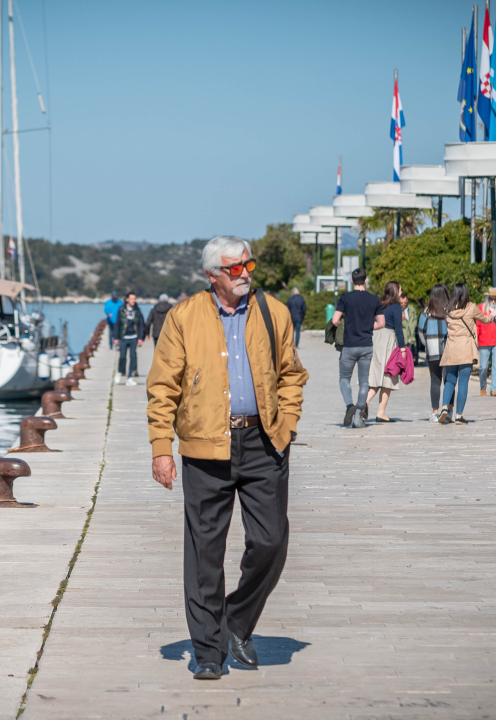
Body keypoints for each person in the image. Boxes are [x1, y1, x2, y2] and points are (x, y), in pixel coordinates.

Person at [146, 235, 308, 680]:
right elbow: (162, 387)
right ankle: (209, 651)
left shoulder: (274, 312)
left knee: (272, 540)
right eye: (234, 269)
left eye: (248, 266)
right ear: (212, 274)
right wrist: (162, 448)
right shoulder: (183, 317)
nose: (245, 275)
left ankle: (235, 621)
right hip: (204, 446)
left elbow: (292, 374)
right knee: (204, 554)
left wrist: (287, 423)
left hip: (264, 442)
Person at [438, 284, 496, 424]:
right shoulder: (471, 308)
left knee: (449, 381)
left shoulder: (446, 310)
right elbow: (486, 320)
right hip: (466, 349)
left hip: (451, 349)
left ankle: (444, 408)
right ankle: (459, 415)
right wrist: (493, 314)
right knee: (462, 383)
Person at [331, 268, 385, 429]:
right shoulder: (374, 299)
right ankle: (359, 415)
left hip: (349, 345)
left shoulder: (345, 297)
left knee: (344, 378)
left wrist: (342, 325)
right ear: (366, 280)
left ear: (352, 281)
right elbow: (381, 323)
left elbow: (335, 320)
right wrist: (368, 326)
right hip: (366, 345)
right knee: (363, 382)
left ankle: (349, 406)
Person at [366, 280, 407, 422]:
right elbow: (399, 331)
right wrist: (402, 349)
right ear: (395, 291)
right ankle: (381, 413)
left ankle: (365, 400)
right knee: (388, 376)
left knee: (377, 374)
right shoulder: (395, 307)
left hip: (375, 338)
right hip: (388, 340)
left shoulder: (378, 304)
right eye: (400, 289)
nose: (401, 291)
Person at [417, 283, 450, 422]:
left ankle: (435, 413)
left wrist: (428, 345)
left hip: (432, 352)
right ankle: (449, 410)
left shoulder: (425, 313)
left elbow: (420, 332)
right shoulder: (450, 311)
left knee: (435, 382)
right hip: (449, 351)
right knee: (449, 381)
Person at [115, 292, 144, 385]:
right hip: (123, 337)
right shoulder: (121, 310)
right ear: (127, 299)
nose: (133, 301)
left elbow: (141, 325)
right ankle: (120, 372)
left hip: (134, 337)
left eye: (134, 299)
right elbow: (117, 324)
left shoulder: (137, 310)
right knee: (122, 356)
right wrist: (115, 337)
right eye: (131, 299)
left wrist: (140, 338)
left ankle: (130, 377)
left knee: (133, 357)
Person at [478, 287, 496, 397]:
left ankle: (494, 389)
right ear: (488, 298)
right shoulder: (481, 309)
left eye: (495, 299)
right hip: (483, 341)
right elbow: (477, 325)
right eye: (491, 299)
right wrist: (477, 339)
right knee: (483, 367)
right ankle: (483, 386)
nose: (493, 301)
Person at [400, 292, 418, 361]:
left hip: (411, 336)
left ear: (407, 300)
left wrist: (413, 326)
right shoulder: (398, 310)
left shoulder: (411, 309)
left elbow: (415, 319)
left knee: (410, 358)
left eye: (404, 302)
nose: (403, 304)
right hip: (403, 338)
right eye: (401, 302)